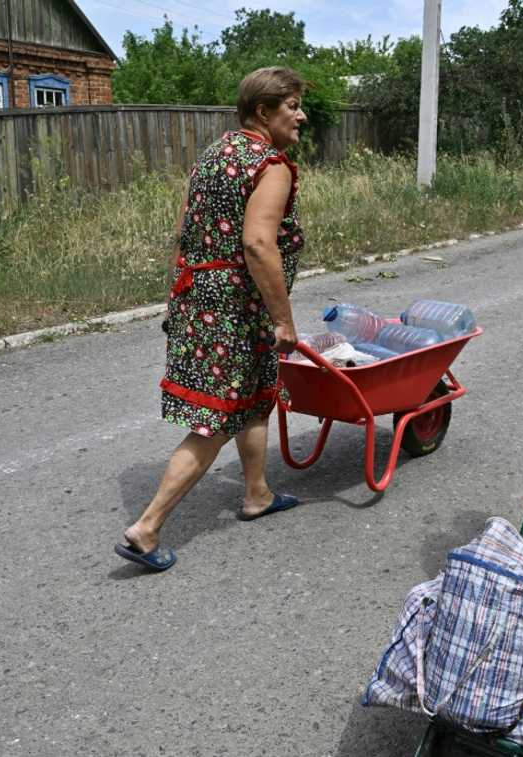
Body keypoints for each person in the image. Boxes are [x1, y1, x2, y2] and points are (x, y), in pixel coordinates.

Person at [115, 67, 309, 572]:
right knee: (214, 420)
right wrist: (283, 320)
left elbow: (185, 231)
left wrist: (188, 297)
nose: (301, 116)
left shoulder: (213, 156)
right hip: (236, 309)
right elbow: (258, 243)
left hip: (200, 297)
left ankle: (257, 493)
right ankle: (147, 528)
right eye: (292, 106)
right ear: (263, 112)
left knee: (254, 399)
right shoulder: (271, 163)